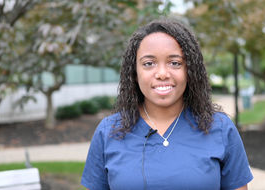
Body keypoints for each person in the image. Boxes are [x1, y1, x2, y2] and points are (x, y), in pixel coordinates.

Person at [81, 18, 253, 190]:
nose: (162, 73)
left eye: (175, 63)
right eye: (149, 64)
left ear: (190, 70)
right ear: (134, 73)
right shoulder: (108, 131)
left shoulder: (220, 128)